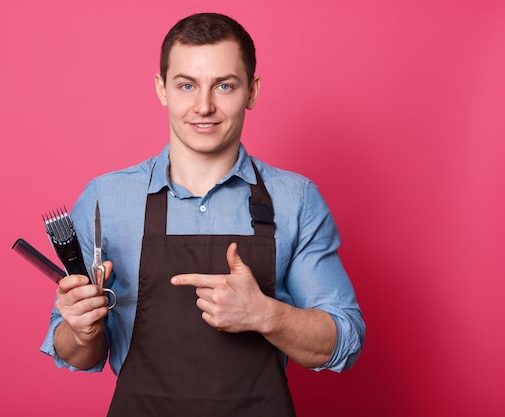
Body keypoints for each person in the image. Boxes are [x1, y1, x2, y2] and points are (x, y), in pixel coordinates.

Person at [41, 12, 365, 416]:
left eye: (224, 85)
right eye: (187, 85)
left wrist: (267, 314)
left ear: (252, 91)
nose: (204, 106)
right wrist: (81, 329)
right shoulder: (106, 199)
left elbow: (345, 340)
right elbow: (76, 353)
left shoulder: (296, 200)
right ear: (162, 89)